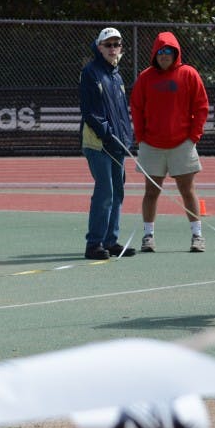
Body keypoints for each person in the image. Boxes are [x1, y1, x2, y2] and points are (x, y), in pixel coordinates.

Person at [130, 32, 209, 253]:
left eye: (169, 51)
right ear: (155, 53)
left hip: (182, 144)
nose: (164, 55)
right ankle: (148, 236)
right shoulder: (145, 77)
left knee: (187, 190)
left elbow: (201, 107)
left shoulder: (189, 74)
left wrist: (194, 136)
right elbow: (136, 107)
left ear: (176, 53)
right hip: (152, 145)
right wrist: (141, 136)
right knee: (151, 192)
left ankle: (197, 236)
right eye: (160, 51)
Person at [79, 27, 136, 260]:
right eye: (108, 45)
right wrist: (108, 135)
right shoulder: (91, 73)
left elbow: (122, 112)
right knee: (105, 192)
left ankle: (110, 241)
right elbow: (91, 111)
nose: (113, 49)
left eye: (117, 44)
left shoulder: (116, 75)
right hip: (99, 143)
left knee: (118, 191)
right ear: (99, 47)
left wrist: (125, 138)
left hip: (117, 144)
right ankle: (94, 244)